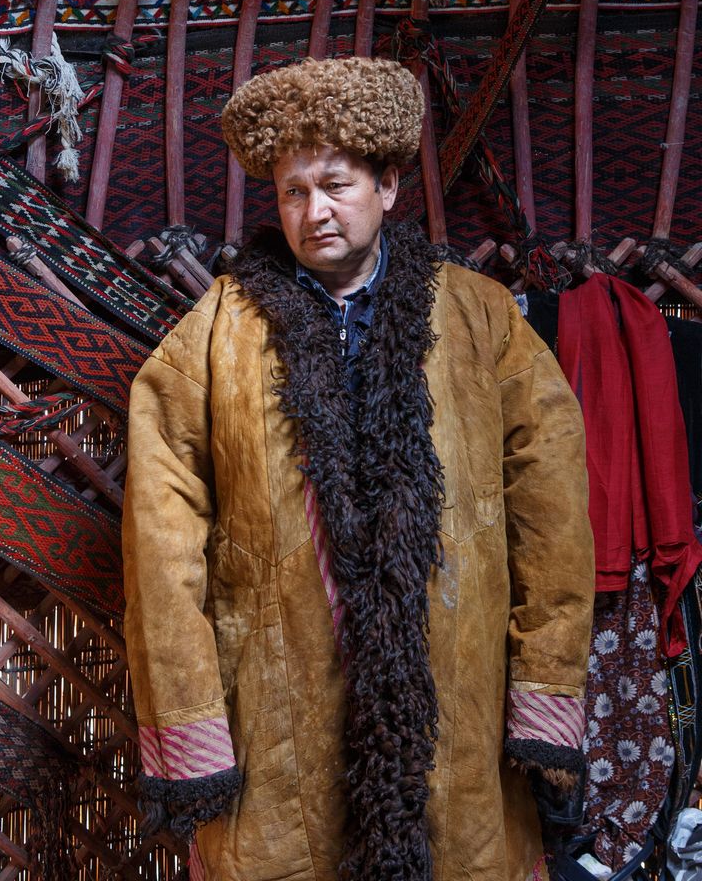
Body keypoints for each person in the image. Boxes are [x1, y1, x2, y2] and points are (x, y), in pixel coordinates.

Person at [122, 56, 595, 881]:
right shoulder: (213, 335)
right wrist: (194, 722)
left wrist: (543, 687)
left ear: (388, 185)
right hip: (279, 706)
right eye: (292, 193)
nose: (315, 213)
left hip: (458, 700)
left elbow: (551, 511)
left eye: (336, 185)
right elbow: (159, 544)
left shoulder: (479, 318)